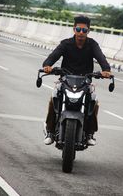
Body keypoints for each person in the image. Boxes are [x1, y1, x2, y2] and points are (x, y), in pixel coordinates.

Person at [42, 16, 111, 145]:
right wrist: (47, 66)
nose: (81, 32)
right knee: (53, 99)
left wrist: (106, 70)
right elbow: (52, 57)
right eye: (78, 29)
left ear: (88, 31)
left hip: (85, 82)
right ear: (74, 29)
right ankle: (50, 130)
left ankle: (90, 132)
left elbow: (101, 58)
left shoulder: (92, 45)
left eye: (84, 30)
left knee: (94, 103)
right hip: (65, 80)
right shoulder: (66, 43)